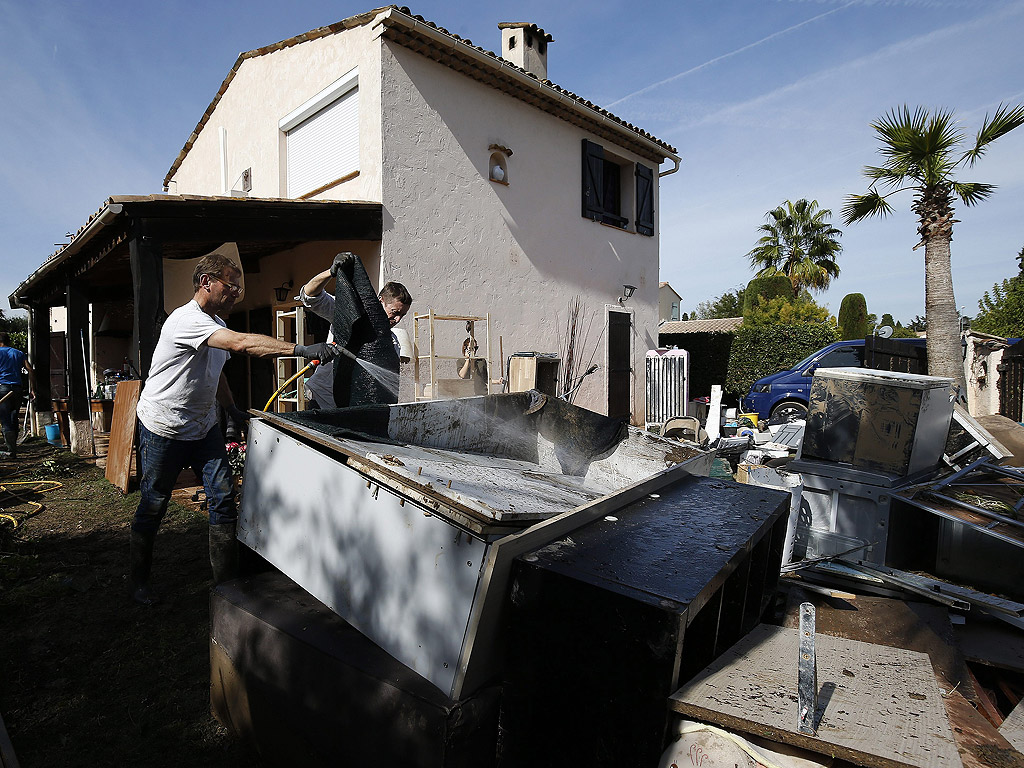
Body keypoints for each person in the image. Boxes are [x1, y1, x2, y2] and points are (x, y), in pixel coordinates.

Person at [130, 253, 340, 605]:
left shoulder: (211, 325)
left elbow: (218, 373)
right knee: (154, 502)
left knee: (224, 498)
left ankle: (225, 586)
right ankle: (139, 583)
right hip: (163, 426)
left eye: (239, 287)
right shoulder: (187, 320)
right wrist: (301, 348)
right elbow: (242, 344)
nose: (237, 293)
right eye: (231, 285)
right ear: (206, 283)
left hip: (203, 427)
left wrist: (230, 410)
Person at [299, 254, 412, 408]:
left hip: (353, 408)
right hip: (324, 400)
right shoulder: (350, 315)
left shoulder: (392, 341)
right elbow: (310, 297)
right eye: (394, 312)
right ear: (381, 301)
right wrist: (330, 272)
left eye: (402, 315)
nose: (397, 320)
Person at [0, 332, 34, 460]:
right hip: (17, 390)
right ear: (9, 341)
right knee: (14, 416)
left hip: (2, 389)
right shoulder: (18, 353)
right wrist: (32, 389)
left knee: (5, 419)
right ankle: (13, 449)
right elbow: (30, 370)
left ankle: (10, 450)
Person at [456, 326, 488, 395]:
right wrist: (467, 359)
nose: (474, 350)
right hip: (467, 394)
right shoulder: (461, 361)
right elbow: (462, 375)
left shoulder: (481, 361)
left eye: (475, 348)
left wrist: (497, 381)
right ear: (465, 348)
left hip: (482, 393)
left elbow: (486, 379)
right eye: (471, 348)